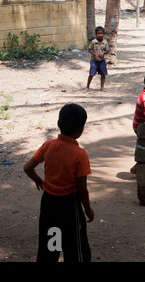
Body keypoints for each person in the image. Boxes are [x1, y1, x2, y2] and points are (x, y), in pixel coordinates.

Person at [23, 103, 94, 262]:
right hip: (70, 204)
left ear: (58, 124)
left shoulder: (48, 145)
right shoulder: (80, 155)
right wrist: (88, 209)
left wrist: (40, 182)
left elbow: (28, 168)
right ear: (80, 130)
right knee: (75, 246)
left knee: (50, 243)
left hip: (49, 202)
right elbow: (82, 189)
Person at [85, 26, 109, 92]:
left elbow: (107, 50)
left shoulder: (105, 42)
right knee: (91, 74)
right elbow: (89, 49)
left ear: (103, 34)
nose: (100, 35)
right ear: (96, 34)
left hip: (102, 61)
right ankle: (87, 87)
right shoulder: (93, 42)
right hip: (94, 61)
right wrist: (95, 55)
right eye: (99, 33)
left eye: (102, 33)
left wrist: (103, 52)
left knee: (103, 74)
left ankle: (102, 87)